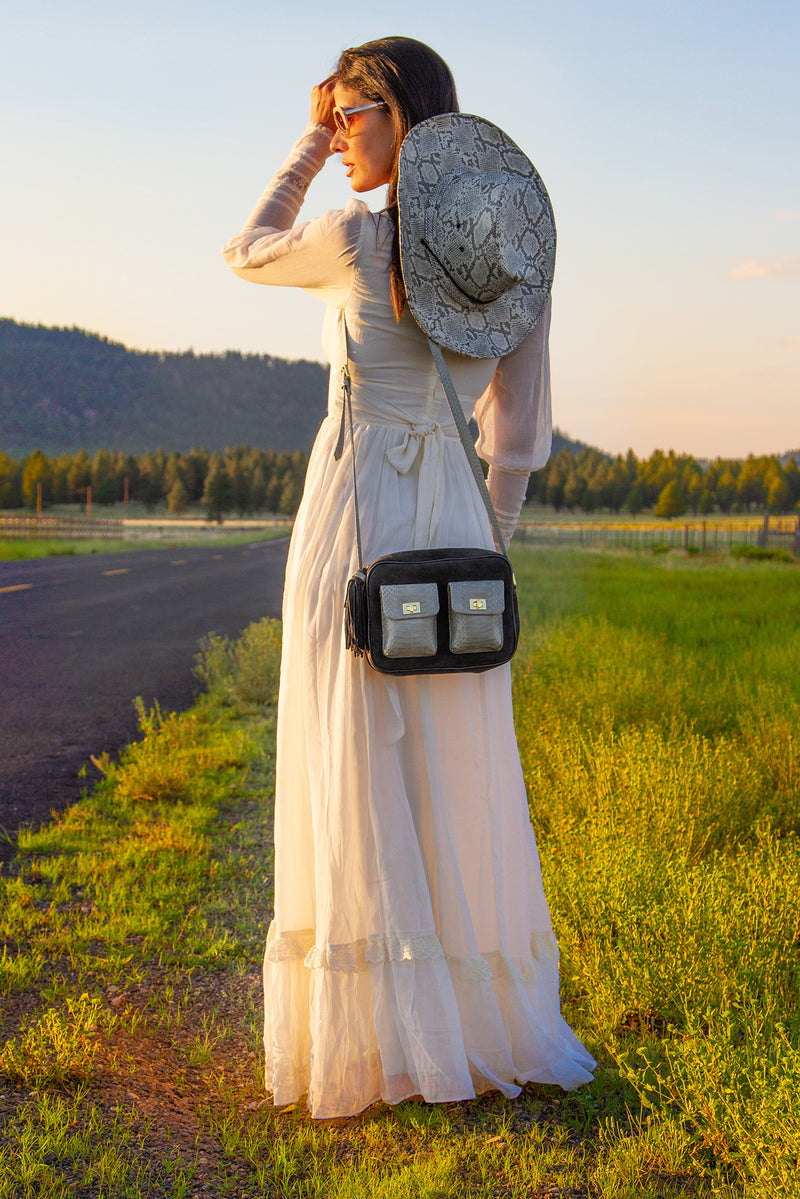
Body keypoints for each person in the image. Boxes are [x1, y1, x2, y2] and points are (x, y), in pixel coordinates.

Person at [222, 36, 595, 1120]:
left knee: (353, 753)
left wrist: (295, 143)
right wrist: (489, 547)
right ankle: (467, 1029)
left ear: (405, 115)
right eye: (331, 120)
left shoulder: (347, 233)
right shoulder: (505, 241)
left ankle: (382, 1040)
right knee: (451, 762)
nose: (342, 137)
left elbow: (243, 250)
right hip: (454, 521)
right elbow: (516, 433)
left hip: (355, 508)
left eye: (354, 116)